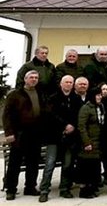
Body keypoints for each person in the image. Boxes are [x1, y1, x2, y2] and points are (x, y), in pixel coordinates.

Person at [39, 74, 83, 201]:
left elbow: (79, 115)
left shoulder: (76, 99)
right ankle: (44, 190)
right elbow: (50, 115)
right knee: (50, 164)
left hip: (70, 137)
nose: (69, 84)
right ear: (61, 84)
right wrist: (65, 125)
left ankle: (64, 188)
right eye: (66, 82)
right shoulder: (53, 98)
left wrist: (72, 126)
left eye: (71, 82)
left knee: (68, 164)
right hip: (54, 136)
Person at [2, 70, 44, 201]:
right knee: (15, 163)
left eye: (36, 77)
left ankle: (30, 187)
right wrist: (9, 133)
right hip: (19, 133)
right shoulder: (15, 94)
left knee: (33, 162)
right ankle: (11, 189)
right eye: (31, 77)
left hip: (35, 133)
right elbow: (6, 115)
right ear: (25, 79)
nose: (34, 79)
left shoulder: (40, 93)